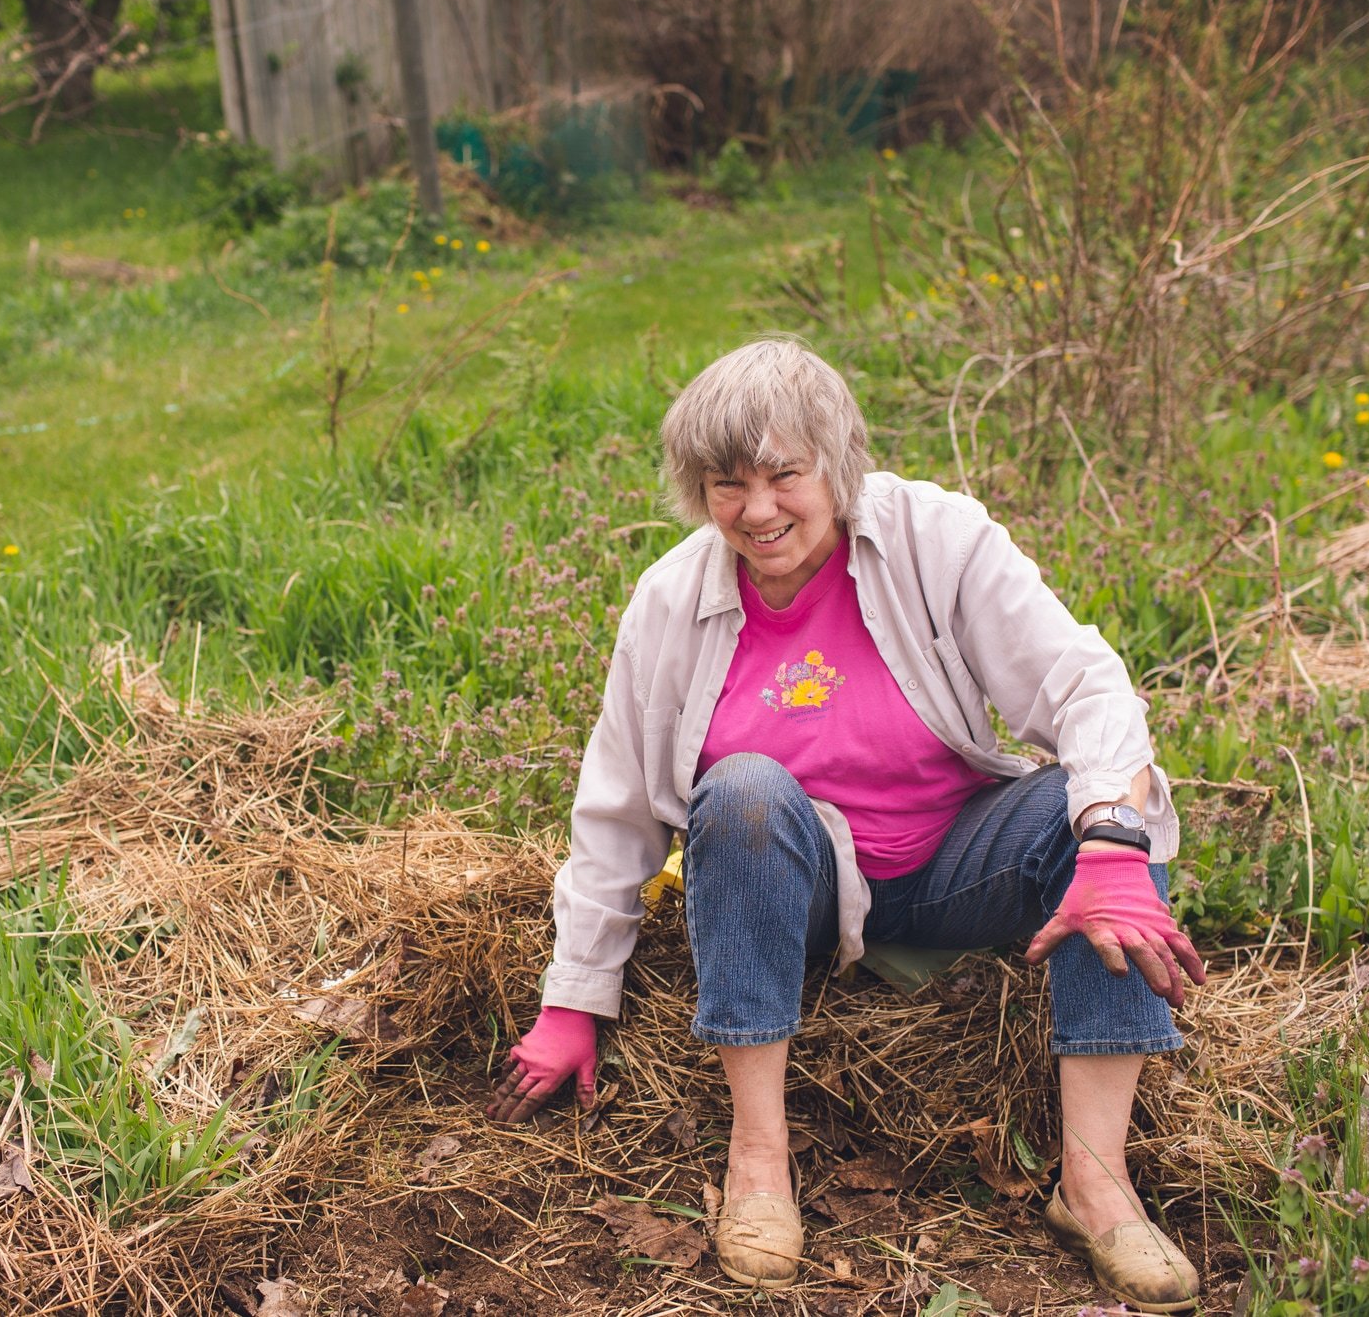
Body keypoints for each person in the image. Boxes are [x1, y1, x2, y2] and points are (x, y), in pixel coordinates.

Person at [483, 338, 1209, 1312]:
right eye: (724, 483)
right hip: (801, 890)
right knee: (739, 789)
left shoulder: (935, 538)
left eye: (784, 474)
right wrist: (575, 998)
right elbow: (615, 806)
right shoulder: (668, 602)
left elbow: (1082, 683)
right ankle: (756, 1160)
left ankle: (1094, 1182)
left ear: (838, 460)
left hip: (956, 859)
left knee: (1096, 797)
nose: (756, 510)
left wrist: (1113, 836)